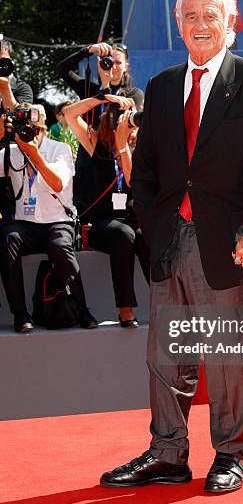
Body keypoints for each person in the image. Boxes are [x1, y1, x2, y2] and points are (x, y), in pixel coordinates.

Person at [99, 0, 243, 494]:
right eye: (190, 16)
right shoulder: (161, 88)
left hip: (228, 244)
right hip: (169, 242)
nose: (200, 25)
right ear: (178, 25)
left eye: (211, 15)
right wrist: (152, 222)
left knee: (226, 357)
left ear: (230, 22)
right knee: (165, 355)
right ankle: (167, 454)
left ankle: (230, 454)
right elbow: (146, 172)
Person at [0, 105, 97, 332]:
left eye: (34, 127)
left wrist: (33, 154)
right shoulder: (11, 152)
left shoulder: (59, 148)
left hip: (57, 221)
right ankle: (20, 313)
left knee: (59, 245)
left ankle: (83, 309)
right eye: (24, 128)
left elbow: (57, 183)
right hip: (26, 224)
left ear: (43, 125)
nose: (30, 133)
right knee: (7, 238)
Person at [63, 90, 150, 327]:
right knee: (123, 234)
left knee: (143, 236)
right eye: (120, 116)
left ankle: (165, 305)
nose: (126, 123)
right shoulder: (95, 143)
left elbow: (133, 182)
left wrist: (124, 146)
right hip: (102, 223)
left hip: (132, 220)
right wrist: (103, 98)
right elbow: (69, 115)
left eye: (130, 118)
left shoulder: (142, 147)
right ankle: (125, 309)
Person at [56, 42, 144, 222]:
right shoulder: (90, 90)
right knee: (92, 206)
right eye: (109, 61)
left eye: (118, 63)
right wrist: (87, 50)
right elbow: (61, 70)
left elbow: (117, 115)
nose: (113, 67)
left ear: (126, 66)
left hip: (119, 156)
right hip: (93, 154)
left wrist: (106, 89)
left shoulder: (133, 93)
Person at [0, 39, 34, 224]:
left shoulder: (21, 87)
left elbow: (21, 118)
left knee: (11, 220)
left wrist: (5, 87)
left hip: (13, 162)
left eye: (3, 61)